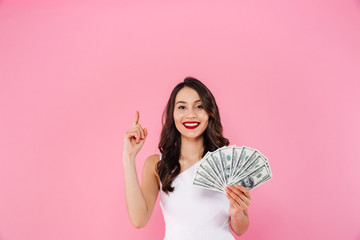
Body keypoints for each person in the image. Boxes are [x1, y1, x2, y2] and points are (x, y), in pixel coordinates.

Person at [123, 77, 251, 239]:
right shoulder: (156, 164)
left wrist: (237, 213)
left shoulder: (228, 161)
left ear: (210, 113)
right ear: (172, 114)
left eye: (199, 106)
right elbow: (138, 220)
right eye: (182, 107)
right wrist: (129, 157)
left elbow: (240, 229)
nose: (191, 114)